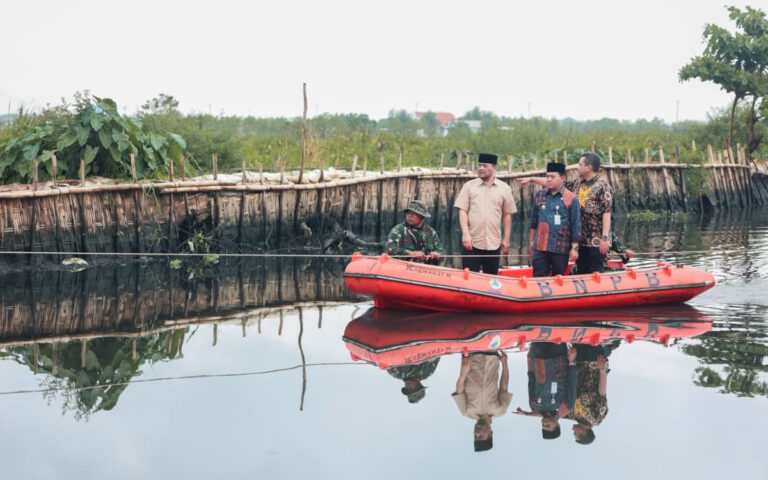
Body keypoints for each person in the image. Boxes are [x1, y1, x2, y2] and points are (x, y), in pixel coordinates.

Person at [521, 152, 614, 274]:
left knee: (595, 271)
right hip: (580, 240)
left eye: (580, 164)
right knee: (582, 270)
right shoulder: (578, 183)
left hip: (596, 240)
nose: (577, 167)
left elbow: (606, 213)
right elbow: (554, 182)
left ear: (589, 167)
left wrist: (605, 238)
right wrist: (532, 179)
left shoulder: (603, 186)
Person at [454, 153, 517, 274]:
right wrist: (465, 234)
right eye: (479, 165)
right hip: (472, 243)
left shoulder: (504, 188)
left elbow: (507, 215)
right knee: (470, 279)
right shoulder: (469, 186)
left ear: (494, 168)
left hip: (494, 243)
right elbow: (462, 211)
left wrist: (506, 239)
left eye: (484, 166)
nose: (481, 168)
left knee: (491, 280)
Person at [516, 342, 578, 440]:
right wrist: (572, 362)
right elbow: (572, 383)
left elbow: (531, 381)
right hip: (558, 360)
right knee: (556, 329)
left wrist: (529, 359)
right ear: (557, 425)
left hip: (538, 360)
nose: (544, 423)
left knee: (536, 330)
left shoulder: (534, 407)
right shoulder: (566, 407)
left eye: (543, 426)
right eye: (547, 426)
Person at [452, 351, 511, 452]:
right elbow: (503, 387)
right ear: (490, 433)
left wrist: (463, 372)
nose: (476, 433)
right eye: (480, 436)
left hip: (472, 357)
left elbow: (459, 391)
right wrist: (505, 363)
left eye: (475, 436)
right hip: (493, 357)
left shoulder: (466, 412)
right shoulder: (501, 411)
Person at [529, 162, 581, 277]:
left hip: (560, 248)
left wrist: (574, 249)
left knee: (558, 279)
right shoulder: (539, 195)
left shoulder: (571, 198)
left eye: (552, 177)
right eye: (547, 176)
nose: (548, 179)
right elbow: (533, 221)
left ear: (562, 178)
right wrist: (531, 241)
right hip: (540, 246)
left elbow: (576, 225)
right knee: (538, 277)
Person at [565, 344, 610, 445]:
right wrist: (603, 371)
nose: (573, 431)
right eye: (575, 434)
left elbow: (553, 417)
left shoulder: (573, 416)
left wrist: (528, 414)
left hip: (578, 364)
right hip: (593, 366)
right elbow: (601, 395)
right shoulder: (596, 419)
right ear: (583, 433)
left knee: (578, 336)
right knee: (593, 337)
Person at [385, 199, 445, 264]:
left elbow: (441, 252)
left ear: (422, 217)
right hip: (403, 267)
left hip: (426, 269)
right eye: (408, 213)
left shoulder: (430, 232)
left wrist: (437, 254)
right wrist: (410, 253)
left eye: (413, 214)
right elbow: (390, 249)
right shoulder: (398, 230)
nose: (409, 216)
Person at [569, 232, 635, 275]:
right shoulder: (578, 233)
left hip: (603, 269)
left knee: (625, 272)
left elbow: (624, 256)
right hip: (581, 268)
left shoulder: (610, 235)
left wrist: (626, 253)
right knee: (573, 270)